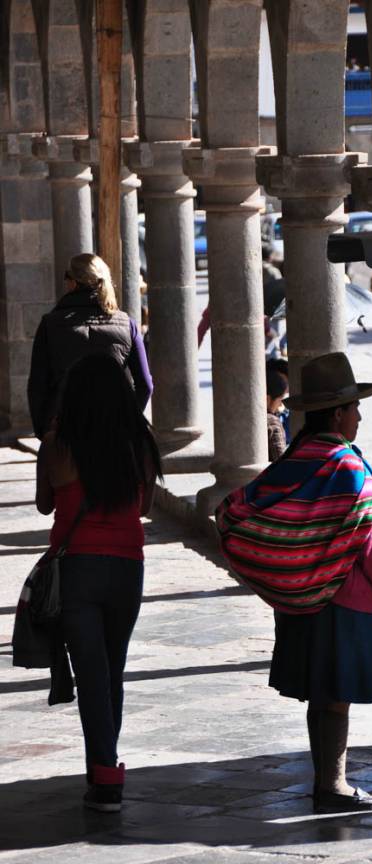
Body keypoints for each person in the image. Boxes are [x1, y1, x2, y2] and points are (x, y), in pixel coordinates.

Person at [217, 352, 372, 814]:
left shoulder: (295, 459)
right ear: (337, 413)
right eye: (353, 407)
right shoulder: (346, 467)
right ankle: (334, 786)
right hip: (344, 604)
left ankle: (326, 782)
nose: (359, 415)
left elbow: (240, 507)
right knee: (335, 699)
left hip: (300, 602)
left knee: (321, 694)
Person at [35, 353, 162, 812]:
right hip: (127, 566)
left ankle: (105, 775)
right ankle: (104, 767)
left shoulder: (57, 445)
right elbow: (145, 506)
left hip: (78, 569)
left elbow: (44, 505)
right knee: (112, 669)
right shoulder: (140, 446)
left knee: (91, 673)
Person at [28, 253, 153, 439]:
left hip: (66, 426)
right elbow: (145, 384)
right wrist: (129, 420)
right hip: (113, 425)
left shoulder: (49, 325)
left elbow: (37, 385)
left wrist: (43, 430)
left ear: (73, 283)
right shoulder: (127, 324)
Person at [266, 366, 289, 461]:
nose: (280, 405)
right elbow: (281, 462)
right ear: (267, 399)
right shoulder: (272, 422)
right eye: (280, 400)